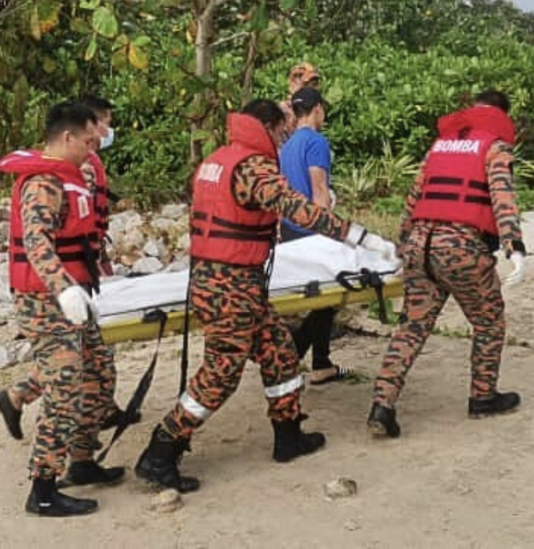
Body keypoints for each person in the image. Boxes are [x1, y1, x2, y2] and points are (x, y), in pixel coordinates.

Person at [133, 100, 397, 492]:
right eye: (281, 130)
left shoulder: (217, 160)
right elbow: (298, 209)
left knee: (280, 352)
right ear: (269, 128)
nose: (284, 137)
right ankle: (162, 449)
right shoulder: (252, 166)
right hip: (231, 288)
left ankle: (288, 434)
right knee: (221, 376)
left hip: (228, 282)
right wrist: (362, 237)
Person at [368, 90, 526, 439]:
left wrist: (402, 241)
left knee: (411, 326)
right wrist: (514, 246)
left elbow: (414, 195)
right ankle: (483, 397)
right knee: (488, 322)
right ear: (501, 115)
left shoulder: (440, 145)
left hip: (420, 244)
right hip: (461, 247)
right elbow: (502, 196)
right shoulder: (495, 146)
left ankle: (382, 405)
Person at [0, 102, 122, 517]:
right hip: (46, 302)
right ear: (67, 138)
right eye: (88, 141)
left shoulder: (71, 178)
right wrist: (62, 289)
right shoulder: (43, 183)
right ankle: (43, 488)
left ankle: (83, 460)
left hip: (75, 295)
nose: (93, 150)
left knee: (100, 372)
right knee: (65, 387)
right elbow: (37, 244)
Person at [278, 86, 350, 384]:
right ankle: (297, 351)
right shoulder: (316, 142)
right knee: (331, 295)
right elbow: (319, 189)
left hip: (290, 227)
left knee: (323, 297)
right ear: (317, 108)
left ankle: (322, 363)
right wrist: (330, 230)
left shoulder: (289, 144)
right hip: (311, 228)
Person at [279, 62, 321, 140]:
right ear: (294, 82)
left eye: (315, 84)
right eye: (307, 84)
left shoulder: (314, 107)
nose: (314, 88)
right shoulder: (284, 110)